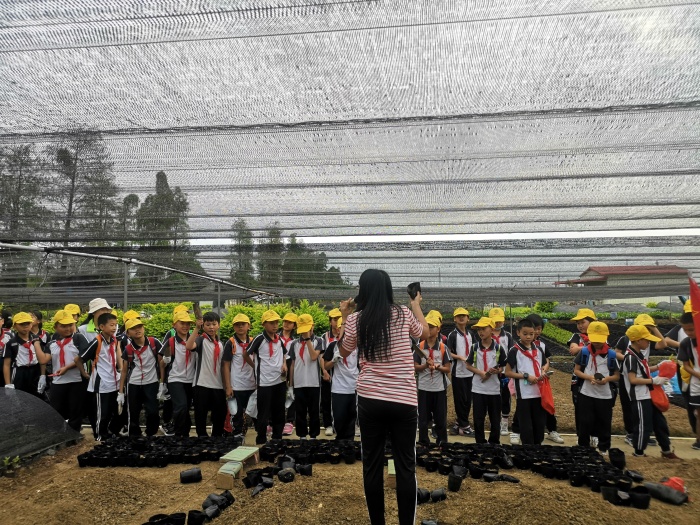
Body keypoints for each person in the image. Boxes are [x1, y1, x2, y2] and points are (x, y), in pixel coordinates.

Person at [339, 269, 428, 525]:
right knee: (406, 466)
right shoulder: (403, 313)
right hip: (404, 399)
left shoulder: (357, 319)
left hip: (371, 399)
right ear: (388, 289)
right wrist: (415, 304)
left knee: (372, 465)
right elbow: (424, 333)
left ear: (363, 290)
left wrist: (345, 316)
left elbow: (344, 351)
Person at [622, 324, 679, 459]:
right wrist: (654, 381)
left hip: (648, 395)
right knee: (643, 426)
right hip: (639, 397)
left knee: (660, 423)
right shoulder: (630, 357)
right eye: (646, 339)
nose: (649, 342)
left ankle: (666, 450)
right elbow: (633, 379)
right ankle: (639, 453)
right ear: (638, 340)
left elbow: (644, 371)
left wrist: (659, 366)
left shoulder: (638, 355)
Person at [615, 314, 667, 446]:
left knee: (643, 406)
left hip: (643, 374)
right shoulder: (626, 340)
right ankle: (631, 433)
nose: (647, 331)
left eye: (648, 328)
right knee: (629, 404)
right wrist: (630, 360)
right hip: (628, 374)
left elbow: (663, 344)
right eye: (644, 327)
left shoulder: (648, 340)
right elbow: (616, 352)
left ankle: (642, 434)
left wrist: (654, 328)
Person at [573, 321, 619, 455]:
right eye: (595, 339)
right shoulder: (584, 352)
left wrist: (606, 379)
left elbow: (617, 375)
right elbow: (577, 370)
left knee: (604, 422)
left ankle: (604, 448)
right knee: (585, 421)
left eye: (600, 340)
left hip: (605, 395)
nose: (597, 343)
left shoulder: (611, 355)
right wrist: (589, 377)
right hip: (586, 393)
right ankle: (583, 447)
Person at [76, 311, 122, 441]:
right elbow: (79, 359)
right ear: (102, 327)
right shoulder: (97, 341)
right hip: (101, 383)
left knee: (114, 410)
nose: (114, 328)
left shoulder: (113, 340)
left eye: (116, 325)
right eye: (111, 325)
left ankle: (110, 432)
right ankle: (100, 435)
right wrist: (84, 373)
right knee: (102, 412)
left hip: (113, 381)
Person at [244, 310, 288, 445]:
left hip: (279, 381)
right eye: (271, 323)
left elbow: (284, 354)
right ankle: (261, 438)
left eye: (276, 322)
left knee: (279, 411)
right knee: (263, 412)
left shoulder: (279, 339)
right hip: (264, 382)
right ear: (264, 324)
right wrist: (255, 366)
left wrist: (284, 364)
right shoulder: (259, 339)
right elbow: (246, 354)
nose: (275, 325)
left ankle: (277, 437)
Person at [118, 318, 164, 437]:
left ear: (144, 328)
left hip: (151, 382)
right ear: (128, 333)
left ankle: (150, 433)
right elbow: (124, 370)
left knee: (153, 411)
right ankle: (134, 435)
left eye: (139, 327)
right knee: (133, 412)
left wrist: (162, 383)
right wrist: (121, 392)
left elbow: (161, 363)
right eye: (133, 328)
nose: (137, 330)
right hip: (134, 383)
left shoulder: (154, 343)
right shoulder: (128, 349)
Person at [505, 318, 547, 445]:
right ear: (518, 333)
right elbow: (508, 372)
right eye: (525, 334)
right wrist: (526, 376)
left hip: (538, 392)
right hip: (523, 394)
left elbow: (543, 366)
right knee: (526, 425)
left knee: (539, 423)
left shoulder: (538, 350)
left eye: (531, 334)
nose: (528, 337)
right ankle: (528, 448)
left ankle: (537, 446)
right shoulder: (515, 351)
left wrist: (543, 373)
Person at [46, 311, 89, 431]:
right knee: (56, 408)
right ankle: (59, 433)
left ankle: (74, 434)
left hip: (77, 380)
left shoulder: (78, 338)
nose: (68, 328)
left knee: (76, 409)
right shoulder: (52, 343)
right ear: (56, 327)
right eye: (63, 326)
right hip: (59, 380)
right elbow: (44, 359)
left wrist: (67, 368)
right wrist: (36, 343)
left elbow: (83, 357)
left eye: (70, 325)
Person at [466, 316, 506, 444]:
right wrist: (481, 373)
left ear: (492, 330)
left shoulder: (498, 348)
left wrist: (497, 371)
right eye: (479, 329)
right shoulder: (474, 347)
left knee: (495, 418)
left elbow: (503, 366)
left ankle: (494, 442)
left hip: (494, 389)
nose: (481, 332)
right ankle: (480, 442)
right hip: (478, 388)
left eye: (484, 328)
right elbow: (468, 365)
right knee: (478, 418)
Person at [186, 311, 227, 437]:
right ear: (203, 326)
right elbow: (189, 346)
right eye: (208, 325)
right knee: (201, 414)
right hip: (202, 384)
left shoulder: (220, 344)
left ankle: (217, 438)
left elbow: (223, 366)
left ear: (219, 325)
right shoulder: (201, 340)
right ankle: (202, 438)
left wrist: (227, 385)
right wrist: (196, 329)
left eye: (214, 324)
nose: (211, 327)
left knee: (220, 414)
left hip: (218, 385)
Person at [414, 313, 451, 446]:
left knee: (440, 417)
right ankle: (424, 441)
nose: (429, 330)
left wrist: (438, 367)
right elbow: (415, 367)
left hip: (439, 388)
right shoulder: (419, 347)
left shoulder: (443, 348)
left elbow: (448, 369)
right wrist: (425, 366)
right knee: (423, 418)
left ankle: (442, 441)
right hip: (424, 387)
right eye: (427, 326)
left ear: (438, 329)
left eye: (432, 327)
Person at [161, 310, 197, 437]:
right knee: (181, 406)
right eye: (182, 323)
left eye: (188, 324)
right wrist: (162, 382)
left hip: (191, 379)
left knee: (185, 408)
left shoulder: (195, 339)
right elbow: (162, 362)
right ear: (174, 325)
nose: (185, 326)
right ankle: (178, 434)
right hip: (175, 379)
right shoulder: (170, 341)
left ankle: (184, 435)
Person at [288, 313, 324, 440]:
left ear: (312, 326)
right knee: (300, 411)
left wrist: (308, 339)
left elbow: (314, 357)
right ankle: (302, 435)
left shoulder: (318, 340)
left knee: (314, 411)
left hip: (314, 382)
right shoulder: (294, 344)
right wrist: (291, 385)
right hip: (299, 382)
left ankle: (314, 435)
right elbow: (292, 365)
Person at [323, 317, 359, 441]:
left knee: (352, 418)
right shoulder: (333, 346)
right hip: (339, 388)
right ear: (338, 330)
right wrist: (334, 360)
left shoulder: (357, 346)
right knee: (339, 418)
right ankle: (340, 441)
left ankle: (349, 443)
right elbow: (326, 366)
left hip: (354, 387)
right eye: (343, 328)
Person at [665, 301, 697, 434]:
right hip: (686, 371)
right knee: (691, 403)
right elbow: (666, 340)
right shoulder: (680, 330)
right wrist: (683, 345)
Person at [222, 313, 256, 438]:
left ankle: (261, 435)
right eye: (237, 325)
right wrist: (228, 386)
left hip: (252, 384)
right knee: (236, 414)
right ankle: (237, 436)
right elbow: (226, 365)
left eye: (243, 324)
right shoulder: (231, 343)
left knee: (255, 413)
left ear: (249, 326)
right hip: (237, 385)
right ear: (234, 327)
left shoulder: (253, 342)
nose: (240, 327)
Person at [568, 307, 596, 442]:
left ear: (592, 322)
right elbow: (573, 350)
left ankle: (594, 434)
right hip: (578, 377)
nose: (580, 325)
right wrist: (592, 347)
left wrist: (582, 348)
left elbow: (604, 348)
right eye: (578, 323)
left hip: (595, 377)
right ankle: (581, 436)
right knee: (579, 407)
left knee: (595, 406)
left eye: (583, 322)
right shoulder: (576, 336)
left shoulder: (599, 334)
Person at [446, 307, 475, 437]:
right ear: (455, 319)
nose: (461, 318)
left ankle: (459, 423)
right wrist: (460, 357)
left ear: (468, 318)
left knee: (468, 399)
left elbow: (474, 349)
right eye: (459, 316)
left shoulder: (471, 334)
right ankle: (465, 426)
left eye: (464, 315)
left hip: (470, 371)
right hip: (458, 372)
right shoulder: (453, 335)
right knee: (460, 399)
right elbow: (448, 352)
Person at [3, 312, 45, 396]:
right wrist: (8, 384)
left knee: (37, 397)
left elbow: (41, 359)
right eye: (21, 324)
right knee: (19, 397)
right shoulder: (11, 343)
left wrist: (43, 375)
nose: (25, 326)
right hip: (19, 372)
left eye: (28, 323)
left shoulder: (36, 339)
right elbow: (6, 364)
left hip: (35, 371)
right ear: (14, 326)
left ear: (31, 324)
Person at [676, 312, 700, 450]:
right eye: (685, 330)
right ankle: (698, 440)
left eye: (691, 329)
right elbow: (686, 365)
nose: (688, 333)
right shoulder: (686, 343)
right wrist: (697, 374)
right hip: (696, 382)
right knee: (698, 413)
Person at [489, 307, 514, 436]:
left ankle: (504, 421)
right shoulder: (487, 335)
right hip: (491, 371)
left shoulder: (507, 336)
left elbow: (511, 352)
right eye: (495, 321)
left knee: (505, 396)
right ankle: (494, 421)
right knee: (493, 396)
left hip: (504, 372)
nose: (498, 323)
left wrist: (507, 368)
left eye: (500, 320)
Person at [321, 308, 342, 436]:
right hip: (328, 372)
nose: (337, 321)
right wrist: (324, 371)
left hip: (342, 374)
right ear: (330, 322)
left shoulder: (346, 335)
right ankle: (328, 424)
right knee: (326, 399)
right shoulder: (325, 337)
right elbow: (322, 356)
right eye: (334, 319)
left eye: (339, 318)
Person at [280, 312, 297, 436]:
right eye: (285, 321)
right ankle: (274, 421)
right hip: (277, 367)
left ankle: (290, 421)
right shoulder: (276, 337)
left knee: (292, 393)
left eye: (290, 322)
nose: (286, 324)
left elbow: (294, 359)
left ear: (294, 326)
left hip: (291, 365)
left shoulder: (295, 341)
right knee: (277, 393)